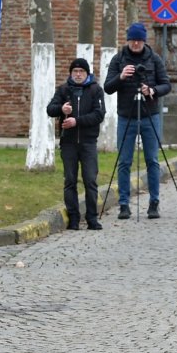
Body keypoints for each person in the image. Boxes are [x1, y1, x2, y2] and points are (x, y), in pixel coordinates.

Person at [104, 22, 171, 219]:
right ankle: (124, 204)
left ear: (144, 41)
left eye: (139, 40)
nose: (135, 43)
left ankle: (154, 202)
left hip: (151, 115)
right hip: (127, 116)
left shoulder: (154, 59)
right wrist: (121, 77)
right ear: (128, 40)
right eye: (132, 40)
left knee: (152, 160)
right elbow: (108, 87)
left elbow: (166, 84)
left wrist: (152, 90)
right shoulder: (119, 59)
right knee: (124, 161)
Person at [46, 57, 106, 230]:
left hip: (88, 142)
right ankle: (73, 218)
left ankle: (92, 218)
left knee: (90, 180)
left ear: (87, 74)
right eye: (75, 72)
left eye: (81, 72)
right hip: (68, 142)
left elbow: (99, 114)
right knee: (70, 180)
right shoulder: (64, 89)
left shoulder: (96, 90)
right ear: (71, 73)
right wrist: (61, 109)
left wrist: (77, 121)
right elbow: (50, 109)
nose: (78, 74)